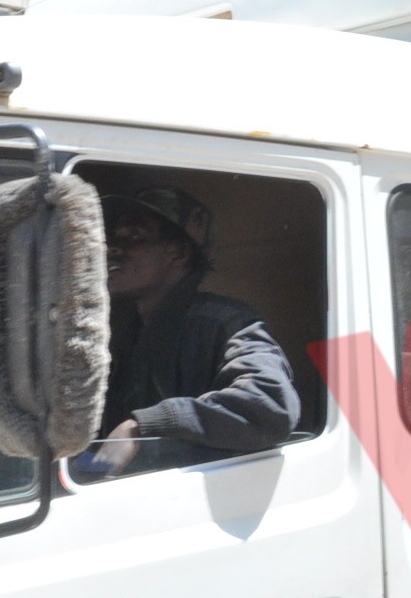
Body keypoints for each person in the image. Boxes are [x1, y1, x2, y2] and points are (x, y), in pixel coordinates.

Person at [84, 187, 299, 475]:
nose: (112, 247)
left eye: (133, 236)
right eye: (110, 237)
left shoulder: (224, 321)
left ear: (178, 253)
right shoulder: (121, 330)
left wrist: (142, 426)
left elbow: (270, 406)